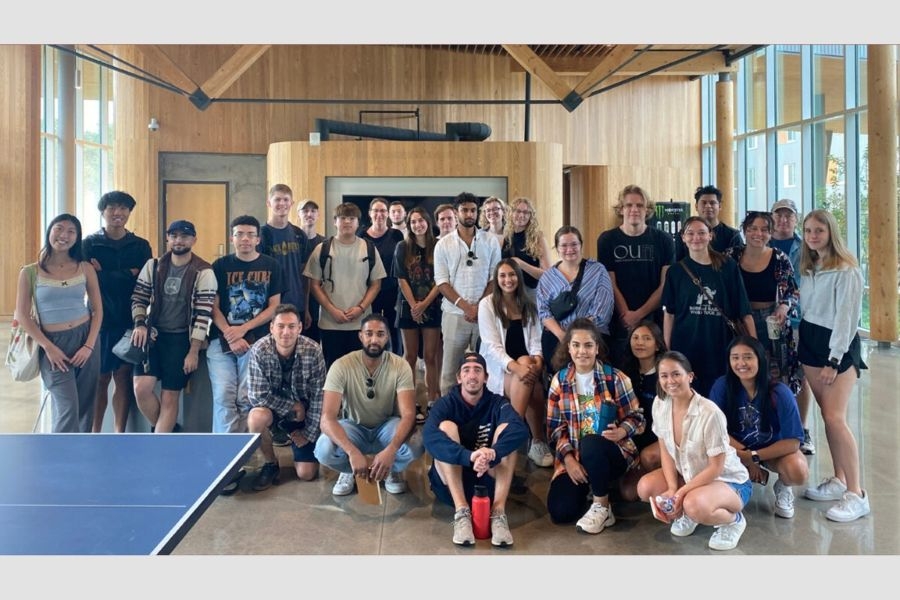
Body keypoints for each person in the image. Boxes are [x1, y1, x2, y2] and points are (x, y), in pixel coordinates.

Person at [636, 351, 752, 551]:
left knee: (692, 504)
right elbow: (665, 451)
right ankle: (690, 510)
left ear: (690, 376)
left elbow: (716, 468)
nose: (670, 381)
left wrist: (680, 494)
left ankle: (733, 521)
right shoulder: (660, 403)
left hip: (728, 480)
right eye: (664, 376)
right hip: (691, 475)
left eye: (676, 374)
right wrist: (672, 489)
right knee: (645, 488)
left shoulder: (710, 413)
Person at [798, 209, 869, 522]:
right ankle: (839, 479)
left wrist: (834, 358)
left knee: (836, 418)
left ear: (831, 233)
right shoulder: (810, 266)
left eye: (820, 231)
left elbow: (847, 318)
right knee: (826, 418)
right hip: (810, 343)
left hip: (835, 348)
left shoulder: (846, 269)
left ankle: (857, 493)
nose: (814, 236)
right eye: (809, 230)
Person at [545, 318, 645, 534]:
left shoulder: (615, 378)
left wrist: (622, 430)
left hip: (613, 452)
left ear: (597, 348)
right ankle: (592, 490)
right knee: (561, 511)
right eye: (576, 345)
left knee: (590, 442)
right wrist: (569, 460)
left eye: (589, 345)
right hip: (576, 458)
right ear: (569, 348)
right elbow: (555, 430)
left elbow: (637, 417)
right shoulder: (559, 381)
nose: (583, 351)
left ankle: (602, 507)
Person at [423, 351, 529, 547]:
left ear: (486, 377)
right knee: (445, 428)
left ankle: (498, 513)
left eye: (478, 370)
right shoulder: (445, 404)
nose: (472, 375)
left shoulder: (497, 403)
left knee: (507, 431)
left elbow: (519, 429)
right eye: (467, 370)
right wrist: (469, 456)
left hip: (487, 483)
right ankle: (461, 512)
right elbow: (428, 437)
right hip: (451, 483)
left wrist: (494, 452)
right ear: (459, 377)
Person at [314, 313, 423, 497]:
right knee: (324, 449)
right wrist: (352, 451)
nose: (374, 339)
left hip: (387, 426)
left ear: (387, 337)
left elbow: (409, 415)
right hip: (353, 427)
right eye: (369, 333)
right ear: (361, 336)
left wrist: (391, 450)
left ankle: (388, 468)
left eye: (380, 334)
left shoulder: (400, 366)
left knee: (417, 444)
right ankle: (350, 470)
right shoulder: (341, 365)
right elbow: (326, 419)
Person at [14, 214, 102, 433]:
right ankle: (60, 460)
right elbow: (22, 315)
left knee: (84, 406)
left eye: (71, 231)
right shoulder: (29, 272)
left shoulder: (85, 268)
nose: (64, 235)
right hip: (51, 342)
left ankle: (81, 455)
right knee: (67, 406)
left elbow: (98, 310)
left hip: (86, 339)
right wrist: (49, 347)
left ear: (77, 237)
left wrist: (89, 345)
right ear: (50, 231)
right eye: (59, 229)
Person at [131, 220, 216, 433]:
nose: (179, 240)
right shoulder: (154, 265)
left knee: (170, 396)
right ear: (167, 238)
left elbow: (203, 315)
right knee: (141, 389)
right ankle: (169, 432)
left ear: (194, 240)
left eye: (185, 236)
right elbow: (139, 297)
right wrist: (140, 324)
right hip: (154, 337)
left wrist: (193, 351)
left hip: (181, 341)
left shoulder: (203, 271)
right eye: (174, 235)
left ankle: (159, 448)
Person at [709, 336, 809, 519]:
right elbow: (715, 432)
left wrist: (754, 457)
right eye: (735, 357)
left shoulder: (780, 392)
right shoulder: (722, 387)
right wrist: (746, 457)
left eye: (748, 357)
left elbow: (793, 442)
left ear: (760, 360)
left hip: (770, 451)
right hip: (734, 451)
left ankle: (783, 486)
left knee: (798, 470)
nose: (741, 363)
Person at [661, 216, 755, 397]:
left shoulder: (728, 267)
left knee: (721, 396)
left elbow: (744, 310)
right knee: (689, 397)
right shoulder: (676, 271)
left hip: (720, 345)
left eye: (702, 233)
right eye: (690, 233)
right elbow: (669, 313)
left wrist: (754, 346)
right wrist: (668, 348)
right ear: (683, 237)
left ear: (710, 236)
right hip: (686, 345)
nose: (696, 237)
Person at [83, 191, 152, 432]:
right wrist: (126, 274)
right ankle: (95, 433)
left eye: (123, 208)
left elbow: (144, 281)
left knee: (122, 379)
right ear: (103, 212)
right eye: (112, 208)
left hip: (129, 319)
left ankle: (118, 433)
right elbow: (87, 279)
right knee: (100, 380)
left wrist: (103, 274)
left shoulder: (141, 245)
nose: (118, 213)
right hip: (97, 321)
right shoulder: (89, 243)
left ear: (129, 212)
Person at [207, 215, 283, 435]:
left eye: (250, 234)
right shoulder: (219, 265)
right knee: (223, 395)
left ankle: (242, 454)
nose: (245, 239)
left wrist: (244, 329)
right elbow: (213, 306)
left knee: (246, 398)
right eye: (240, 234)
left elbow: (273, 308)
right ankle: (224, 451)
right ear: (232, 238)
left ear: (258, 239)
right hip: (221, 341)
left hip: (256, 343)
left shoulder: (272, 265)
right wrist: (232, 334)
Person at [242, 304, 326, 493]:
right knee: (256, 417)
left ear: (300, 328)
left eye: (291, 326)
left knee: (306, 474)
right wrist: (291, 405)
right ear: (271, 327)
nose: (286, 332)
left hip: (303, 417)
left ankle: (302, 448)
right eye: (280, 326)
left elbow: (320, 397)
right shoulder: (259, 349)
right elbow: (257, 395)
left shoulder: (313, 351)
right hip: (274, 412)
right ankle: (271, 464)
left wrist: (308, 433)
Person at [477, 258, 551, 467]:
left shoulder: (529, 304)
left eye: (511, 275)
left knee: (530, 373)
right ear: (496, 279)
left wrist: (537, 363)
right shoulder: (487, 305)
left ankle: (512, 436)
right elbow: (492, 347)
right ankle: (526, 437)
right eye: (502, 276)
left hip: (525, 368)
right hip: (501, 369)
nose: (508, 280)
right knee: (533, 388)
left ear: (518, 277)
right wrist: (517, 367)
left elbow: (536, 342)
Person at [596, 185, 674, 366]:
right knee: (622, 373)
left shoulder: (664, 240)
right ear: (621, 209)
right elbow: (610, 283)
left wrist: (639, 314)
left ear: (647, 209)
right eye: (629, 205)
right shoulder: (607, 240)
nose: (634, 210)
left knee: (652, 374)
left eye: (640, 205)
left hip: (653, 320)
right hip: (619, 321)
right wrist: (626, 315)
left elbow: (665, 285)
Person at [725, 211, 801, 395]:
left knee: (775, 370)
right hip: (739, 320)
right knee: (741, 367)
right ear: (744, 231)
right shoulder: (731, 255)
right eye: (752, 229)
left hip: (771, 319)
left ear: (771, 233)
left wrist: (784, 305)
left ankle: (778, 412)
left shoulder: (780, 258)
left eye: (764, 230)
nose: (758, 234)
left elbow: (793, 290)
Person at [433, 192, 502, 395]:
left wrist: (479, 308)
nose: (469, 214)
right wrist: (467, 307)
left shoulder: (490, 241)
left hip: (485, 314)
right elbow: (441, 282)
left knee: (488, 368)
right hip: (454, 315)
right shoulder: (443, 244)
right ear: (456, 212)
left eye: (473, 210)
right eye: (464, 210)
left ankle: (484, 414)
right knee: (449, 371)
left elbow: (494, 277)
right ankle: (447, 416)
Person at [304, 202, 386, 368]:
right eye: (342, 218)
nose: (347, 222)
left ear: (358, 223)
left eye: (351, 218)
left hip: (362, 324)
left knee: (361, 370)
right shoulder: (322, 249)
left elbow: (376, 284)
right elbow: (314, 285)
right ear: (335, 221)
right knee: (333, 370)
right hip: (330, 322)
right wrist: (332, 310)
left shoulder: (369, 248)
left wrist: (360, 308)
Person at [769, 198, 816, 455]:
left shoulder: (806, 247)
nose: (783, 220)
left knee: (799, 376)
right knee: (771, 373)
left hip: (798, 320)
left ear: (795, 219)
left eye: (789, 216)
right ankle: (775, 427)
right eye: (779, 215)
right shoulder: (760, 241)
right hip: (766, 319)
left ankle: (802, 428)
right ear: (772, 218)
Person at [536, 225, 614, 362]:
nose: (569, 249)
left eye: (574, 244)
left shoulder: (597, 270)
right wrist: (562, 336)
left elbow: (603, 307)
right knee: (559, 381)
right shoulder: (547, 277)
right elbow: (543, 312)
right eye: (564, 245)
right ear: (557, 248)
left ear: (581, 245)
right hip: (557, 340)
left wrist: (578, 336)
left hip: (591, 338)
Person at [393, 206, 442, 422]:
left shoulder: (439, 246)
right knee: (410, 356)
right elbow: (401, 278)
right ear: (409, 225)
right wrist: (414, 305)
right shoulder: (402, 247)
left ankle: (432, 400)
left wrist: (424, 305)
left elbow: (442, 279)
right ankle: (410, 402)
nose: (417, 225)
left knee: (430, 356)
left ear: (428, 223)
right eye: (413, 222)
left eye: (421, 220)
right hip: (408, 307)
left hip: (432, 305)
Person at [617, 320, 667, 501]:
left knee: (649, 456)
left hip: (664, 438)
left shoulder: (666, 373)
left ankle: (674, 484)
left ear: (657, 345)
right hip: (634, 438)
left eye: (647, 338)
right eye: (635, 338)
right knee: (629, 494)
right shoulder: (624, 373)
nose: (640, 343)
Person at [360, 197, 404, 355]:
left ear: (388, 214)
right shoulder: (361, 235)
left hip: (393, 290)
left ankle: (396, 367)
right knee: (372, 331)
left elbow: (402, 264)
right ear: (370, 213)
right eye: (376, 211)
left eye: (383, 211)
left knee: (394, 330)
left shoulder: (397, 235)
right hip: (370, 292)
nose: (379, 214)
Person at [502, 196, 551, 302]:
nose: (521, 215)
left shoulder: (537, 237)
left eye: (526, 212)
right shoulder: (505, 236)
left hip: (530, 293)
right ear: (511, 213)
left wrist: (521, 264)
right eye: (518, 211)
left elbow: (547, 274)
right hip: (507, 292)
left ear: (531, 216)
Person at [675, 185, 742, 261]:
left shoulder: (732, 236)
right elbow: (678, 263)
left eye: (712, 203)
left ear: (719, 206)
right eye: (703, 203)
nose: (708, 206)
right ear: (696, 206)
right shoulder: (685, 234)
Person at [298, 199, 325, 342]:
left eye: (313, 211)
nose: (309, 214)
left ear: (318, 215)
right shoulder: (293, 242)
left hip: (318, 300)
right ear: (298, 214)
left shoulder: (325, 243)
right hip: (296, 298)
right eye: (305, 211)